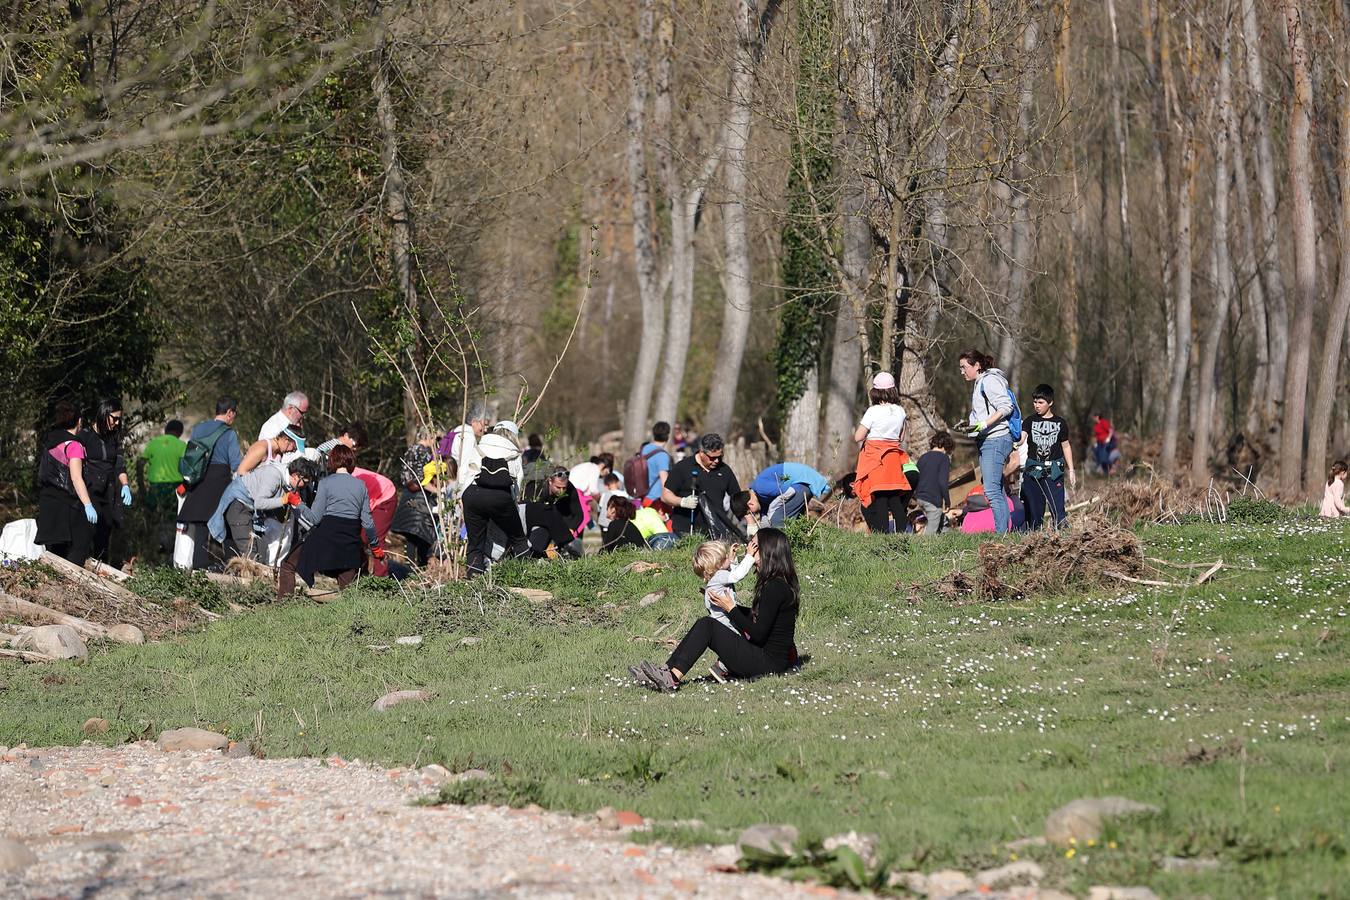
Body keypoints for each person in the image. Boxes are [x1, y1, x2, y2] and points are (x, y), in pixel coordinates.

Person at [630, 528, 798, 692]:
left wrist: (731, 608)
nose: (748, 548)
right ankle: (666, 671)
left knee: (707, 625)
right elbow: (763, 619)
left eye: (753, 546)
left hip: (768, 664)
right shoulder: (776, 584)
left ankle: (671, 678)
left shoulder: (774, 587)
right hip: (767, 659)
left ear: (766, 551)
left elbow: (759, 633)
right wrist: (723, 605)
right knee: (704, 623)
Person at [284, 445, 382, 595]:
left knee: (287, 565)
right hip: (349, 544)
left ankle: (283, 606)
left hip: (325, 541)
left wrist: (298, 503)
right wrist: (376, 547)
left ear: (332, 461)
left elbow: (314, 519)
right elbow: (368, 523)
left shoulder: (326, 483)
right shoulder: (361, 485)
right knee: (348, 593)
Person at [176, 398, 243, 570]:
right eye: (234, 414)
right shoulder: (229, 433)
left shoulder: (198, 429)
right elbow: (236, 464)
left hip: (199, 481)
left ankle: (198, 569)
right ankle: (229, 568)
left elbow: (192, 455)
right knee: (225, 524)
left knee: (200, 528)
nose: (233, 418)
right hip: (220, 482)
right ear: (229, 412)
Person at [209, 455, 312, 560]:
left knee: (261, 553)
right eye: (305, 482)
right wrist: (284, 500)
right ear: (296, 475)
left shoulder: (286, 478)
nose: (305, 486)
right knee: (252, 554)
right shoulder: (274, 476)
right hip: (239, 504)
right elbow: (259, 503)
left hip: (248, 508)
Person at [960, 349, 1016, 534]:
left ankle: (1002, 536)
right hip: (988, 440)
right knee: (997, 489)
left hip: (996, 439)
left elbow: (1006, 406)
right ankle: (1005, 533)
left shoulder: (990, 380)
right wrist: (970, 425)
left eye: (964, 367)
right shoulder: (979, 383)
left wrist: (984, 424)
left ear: (977, 365)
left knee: (991, 491)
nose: (962, 371)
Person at [35, 401, 98, 565]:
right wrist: (88, 504)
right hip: (68, 507)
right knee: (77, 551)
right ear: (79, 421)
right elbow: (77, 478)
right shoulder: (74, 445)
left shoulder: (51, 441)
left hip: (48, 505)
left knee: (54, 556)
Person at [463, 422, 530, 574]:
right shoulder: (514, 453)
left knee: (475, 545)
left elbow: (465, 475)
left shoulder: (479, 446)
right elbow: (517, 484)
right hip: (500, 497)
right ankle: (528, 574)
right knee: (518, 538)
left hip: (473, 494)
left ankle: (473, 580)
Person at [853, 373, 911, 534]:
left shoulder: (873, 411)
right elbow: (901, 437)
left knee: (880, 499)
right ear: (893, 390)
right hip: (892, 459)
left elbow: (858, 436)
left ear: (875, 392)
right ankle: (902, 535)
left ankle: (883, 536)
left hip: (876, 460)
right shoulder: (900, 411)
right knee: (894, 499)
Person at [78, 399, 133, 564]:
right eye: (114, 418)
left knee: (105, 533)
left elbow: (120, 466)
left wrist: (125, 485)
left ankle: (100, 567)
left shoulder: (114, 438)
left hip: (109, 491)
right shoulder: (85, 436)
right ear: (104, 414)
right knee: (87, 532)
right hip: (90, 489)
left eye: (119, 419)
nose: (116, 423)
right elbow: (76, 465)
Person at [663, 433, 741, 538]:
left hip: (715, 530)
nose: (717, 461)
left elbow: (737, 497)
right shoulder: (683, 467)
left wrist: (750, 522)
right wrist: (682, 502)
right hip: (686, 531)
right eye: (712, 458)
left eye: (719, 457)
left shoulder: (724, 470)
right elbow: (665, 495)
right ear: (701, 452)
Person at [1021, 384, 1076, 531]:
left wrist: (1071, 470)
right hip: (1033, 469)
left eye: (1041, 402)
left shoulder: (1060, 423)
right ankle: (1033, 535)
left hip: (1054, 470)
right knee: (1034, 508)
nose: (1037, 406)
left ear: (1050, 402)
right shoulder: (1029, 421)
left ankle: (1061, 532)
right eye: (1035, 402)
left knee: (1057, 507)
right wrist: (1015, 440)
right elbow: (1021, 438)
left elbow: (1066, 446)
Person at [390, 435, 450, 567]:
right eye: (436, 439)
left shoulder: (411, 450)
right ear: (429, 437)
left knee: (413, 535)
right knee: (420, 533)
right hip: (419, 496)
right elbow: (422, 479)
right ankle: (416, 566)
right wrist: (438, 491)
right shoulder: (422, 451)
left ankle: (411, 566)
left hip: (409, 494)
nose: (437, 443)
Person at [137, 420, 187, 555]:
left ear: (166, 430)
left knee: (153, 516)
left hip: (155, 486)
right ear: (180, 432)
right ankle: (168, 548)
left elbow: (140, 464)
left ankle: (151, 547)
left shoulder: (153, 443)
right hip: (174, 487)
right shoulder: (182, 445)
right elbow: (187, 469)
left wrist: (141, 486)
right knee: (171, 518)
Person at [525, 466, 588, 558]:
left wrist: (570, 530)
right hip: (539, 523)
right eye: (558, 487)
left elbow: (579, 514)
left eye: (564, 488)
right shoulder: (538, 489)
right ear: (550, 481)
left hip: (562, 520)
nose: (561, 491)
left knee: (570, 549)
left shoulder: (570, 488)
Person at [695, 540, 756, 634]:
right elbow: (736, 575)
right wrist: (749, 556)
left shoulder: (716, 576)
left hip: (723, 617)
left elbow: (731, 572)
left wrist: (732, 559)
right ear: (718, 565)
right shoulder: (719, 575)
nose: (728, 557)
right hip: (725, 622)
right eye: (725, 557)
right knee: (737, 637)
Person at [749, 462, 832, 526]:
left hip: (803, 483)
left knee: (776, 520)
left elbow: (789, 491)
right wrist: (763, 518)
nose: (754, 515)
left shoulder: (760, 487)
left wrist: (772, 509)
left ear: (750, 503)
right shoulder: (756, 491)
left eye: (751, 513)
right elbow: (764, 506)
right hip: (800, 486)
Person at [912, 432, 954, 537]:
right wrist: (947, 502)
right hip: (933, 499)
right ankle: (922, 550)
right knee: (929, 535)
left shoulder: (923, 457)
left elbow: (916, 477)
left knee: (942, 522)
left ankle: (946, 540)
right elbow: (942, 482)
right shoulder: (943, 458)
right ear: (946, 446)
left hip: (920, 497)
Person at [627, 422, 672, 509]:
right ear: (667, 436)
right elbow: (664, 482)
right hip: (655, 499)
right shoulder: (662, 455)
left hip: (642, 495)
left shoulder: (645, 448)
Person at [449, 405, 492, 495]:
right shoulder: (468, 437)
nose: (486, 428)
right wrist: (461, 492)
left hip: (451, 480)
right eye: (484, 424)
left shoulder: (458, 431)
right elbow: (464, 465)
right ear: (474, 422)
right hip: (458, 485)